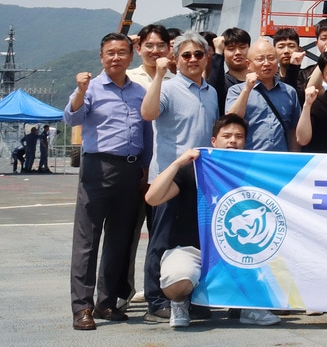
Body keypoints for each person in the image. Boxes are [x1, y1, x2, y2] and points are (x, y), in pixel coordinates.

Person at [143, 114, 278, 327]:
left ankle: (251, 307)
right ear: (214, 141)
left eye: (239, 136)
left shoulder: (254, 172)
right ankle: (179, 303)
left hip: (236, 251)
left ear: (245, 142)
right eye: (227, 135)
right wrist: (178, 162)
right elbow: (152, 198)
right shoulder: (193, 169)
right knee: (178, 281)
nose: (233, 140)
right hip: (192, 248)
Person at [64, 33, 151, 330]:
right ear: (101, 57)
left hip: (130, 169)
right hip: (97, 168)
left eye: (121, 52)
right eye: (110, 53)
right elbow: (72, 118)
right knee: (87, 240)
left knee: (119, 240)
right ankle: (82, 307)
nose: (116, 57)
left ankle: (106, 302)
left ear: (131, 56)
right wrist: (79, 90)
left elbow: (147, 134)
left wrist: (146, 169)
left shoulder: (139, 91)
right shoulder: (90, 88)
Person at [138, 31, 218, 322]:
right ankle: (156, 300)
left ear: (207, 57)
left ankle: (191, 298)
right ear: (176, 59)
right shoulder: (169, 88)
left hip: (201, 181)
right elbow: (147, 114)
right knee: (161, 239)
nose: (193, 60)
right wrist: (159, 76)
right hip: (170, 179)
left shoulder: (212, 92)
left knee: (198, 241)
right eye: (186, 55)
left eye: (198, 54)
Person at [227, 38, 301, 152]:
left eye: (271, 58)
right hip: (248, 159)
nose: (266, 63)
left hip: (280, 159)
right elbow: (231, 120)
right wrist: (247, 89)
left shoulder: (289, 92)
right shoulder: (236, 90)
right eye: (260, 59)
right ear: (248, 64)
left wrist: (294, 159)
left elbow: (293, 131)